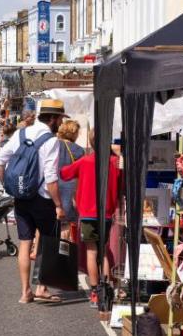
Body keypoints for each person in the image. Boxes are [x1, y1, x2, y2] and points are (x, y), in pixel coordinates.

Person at [0, 99, 67, 304]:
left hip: (21, 197)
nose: (61, 123)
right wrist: (59, 205)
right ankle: (41, 288)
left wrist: (6, 185)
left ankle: (25, 292)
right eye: (60, 118)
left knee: (25, 243)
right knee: (46, 243)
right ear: (52, 118)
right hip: (43, 199)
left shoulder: (21, 133)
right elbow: (51, 179)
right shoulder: (51, 141)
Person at [59, 129, 120, 308]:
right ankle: (106, 290)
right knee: (104, 251)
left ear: (91, 143)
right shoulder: (115, 163)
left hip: (87, 213)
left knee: (91, 252)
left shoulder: (84, 161)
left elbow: (64, 173)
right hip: (107, 212)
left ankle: (95, 292)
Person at [56, 120, 85, 240]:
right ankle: (62, 254)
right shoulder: (78, 150)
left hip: (50, 189)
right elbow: (80, 175)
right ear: (74, 133)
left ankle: (45, 252)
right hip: (68, 190)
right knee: (65, 226)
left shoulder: (53, 144)